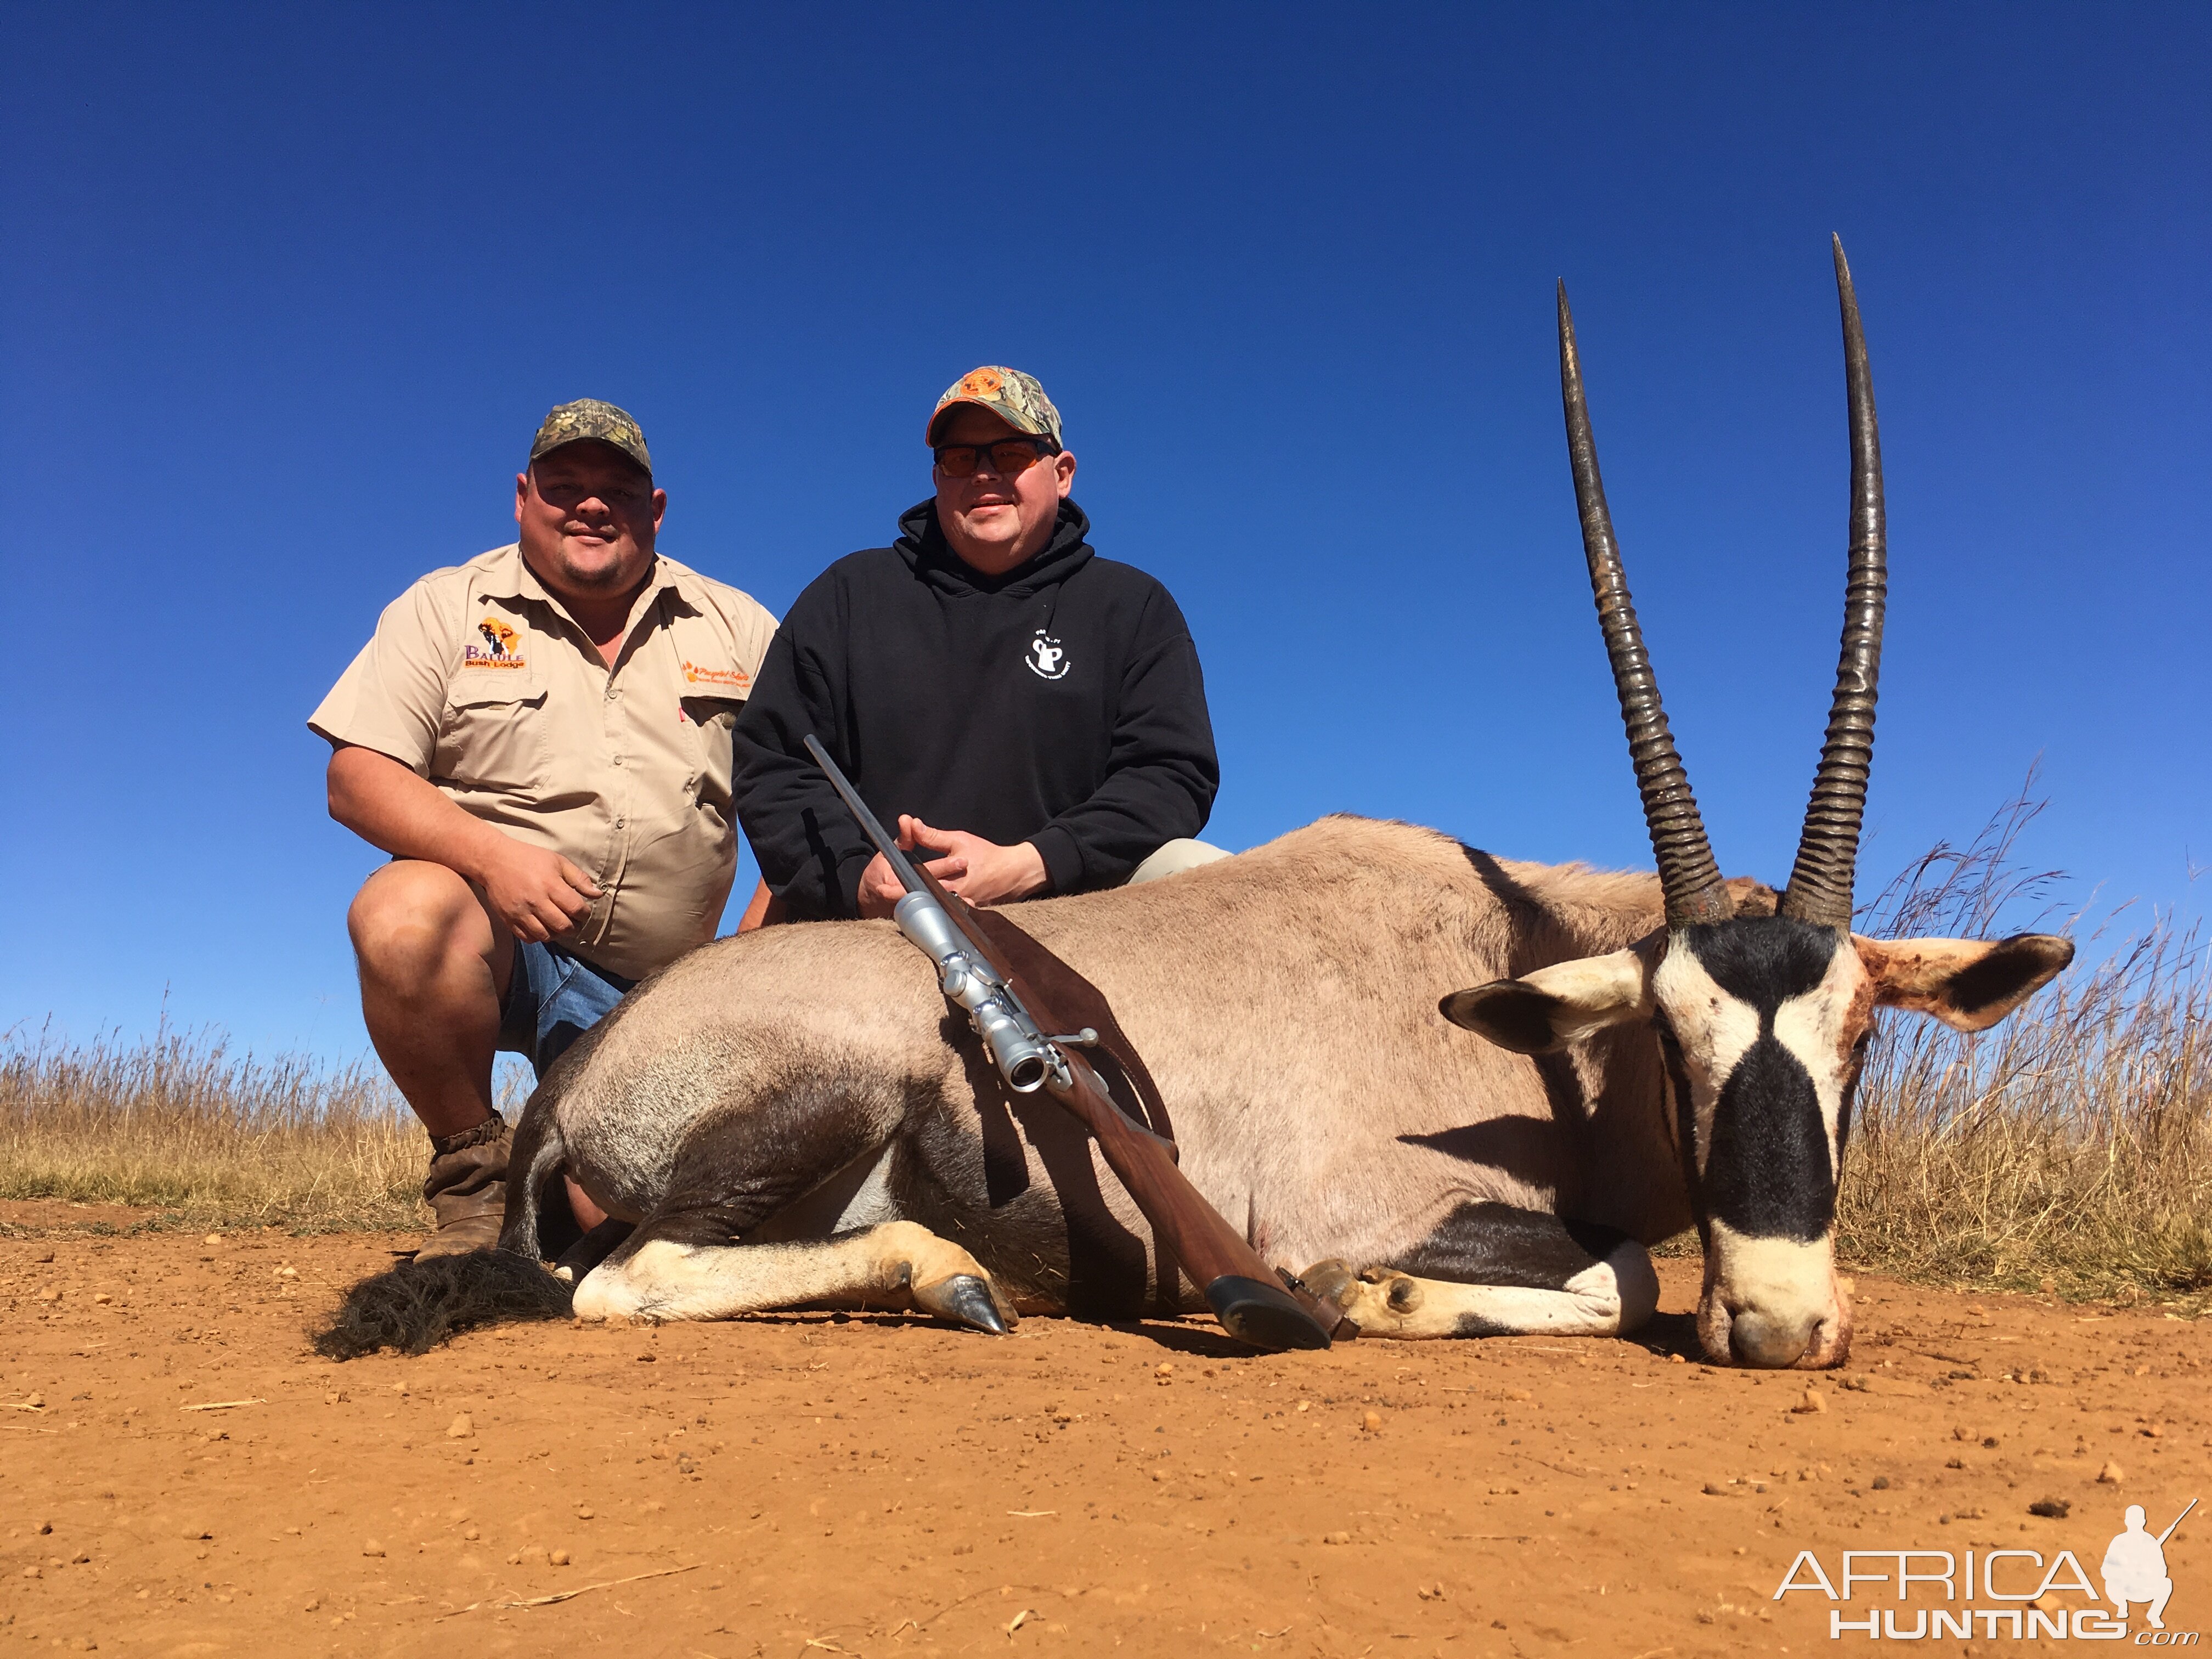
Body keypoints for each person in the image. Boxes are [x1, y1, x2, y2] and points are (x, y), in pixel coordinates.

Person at [310, 400, 776, 1256]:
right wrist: (491, 857)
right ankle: (472, 1186)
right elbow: (356, 777)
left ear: (656, 508)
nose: (590, 506)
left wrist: (745, 960)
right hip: (502, 944)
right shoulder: (446, 607)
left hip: (664, 987)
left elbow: (808, 800)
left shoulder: (737, 625)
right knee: (404, 913)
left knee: (609, 1226)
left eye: (617, 491)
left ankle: (563, 1181)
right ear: (523, 497)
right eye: (565, 487)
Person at [733, 366, 1224, 921]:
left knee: (1201, 870)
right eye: (961, 458)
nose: (985, 475)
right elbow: (773, 761)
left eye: (1011, 454)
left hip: (1079, 907)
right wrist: (858, 877)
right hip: (877, 919)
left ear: (1062, 474)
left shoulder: (1133, 606)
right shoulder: (849, 594)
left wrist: (1032, 862)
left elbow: (1172, 774)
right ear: (938, 475)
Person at [2102, 1504, 2177, 1628]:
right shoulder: (2119, 1541)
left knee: (2166, 1583)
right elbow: (2106, 1569)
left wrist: (2146, 1570)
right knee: (2111, 1583)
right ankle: (2122, 1606)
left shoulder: (2150, 1541)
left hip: (2144, 1588)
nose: (2134, 1524)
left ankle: (2154, 1615)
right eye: (2132, 1520)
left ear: (2143, 1522)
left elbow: (2162, 1570)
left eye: (2137, 1520)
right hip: (2123, 1589)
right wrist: (2124, 1571)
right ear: (2126, 1522)